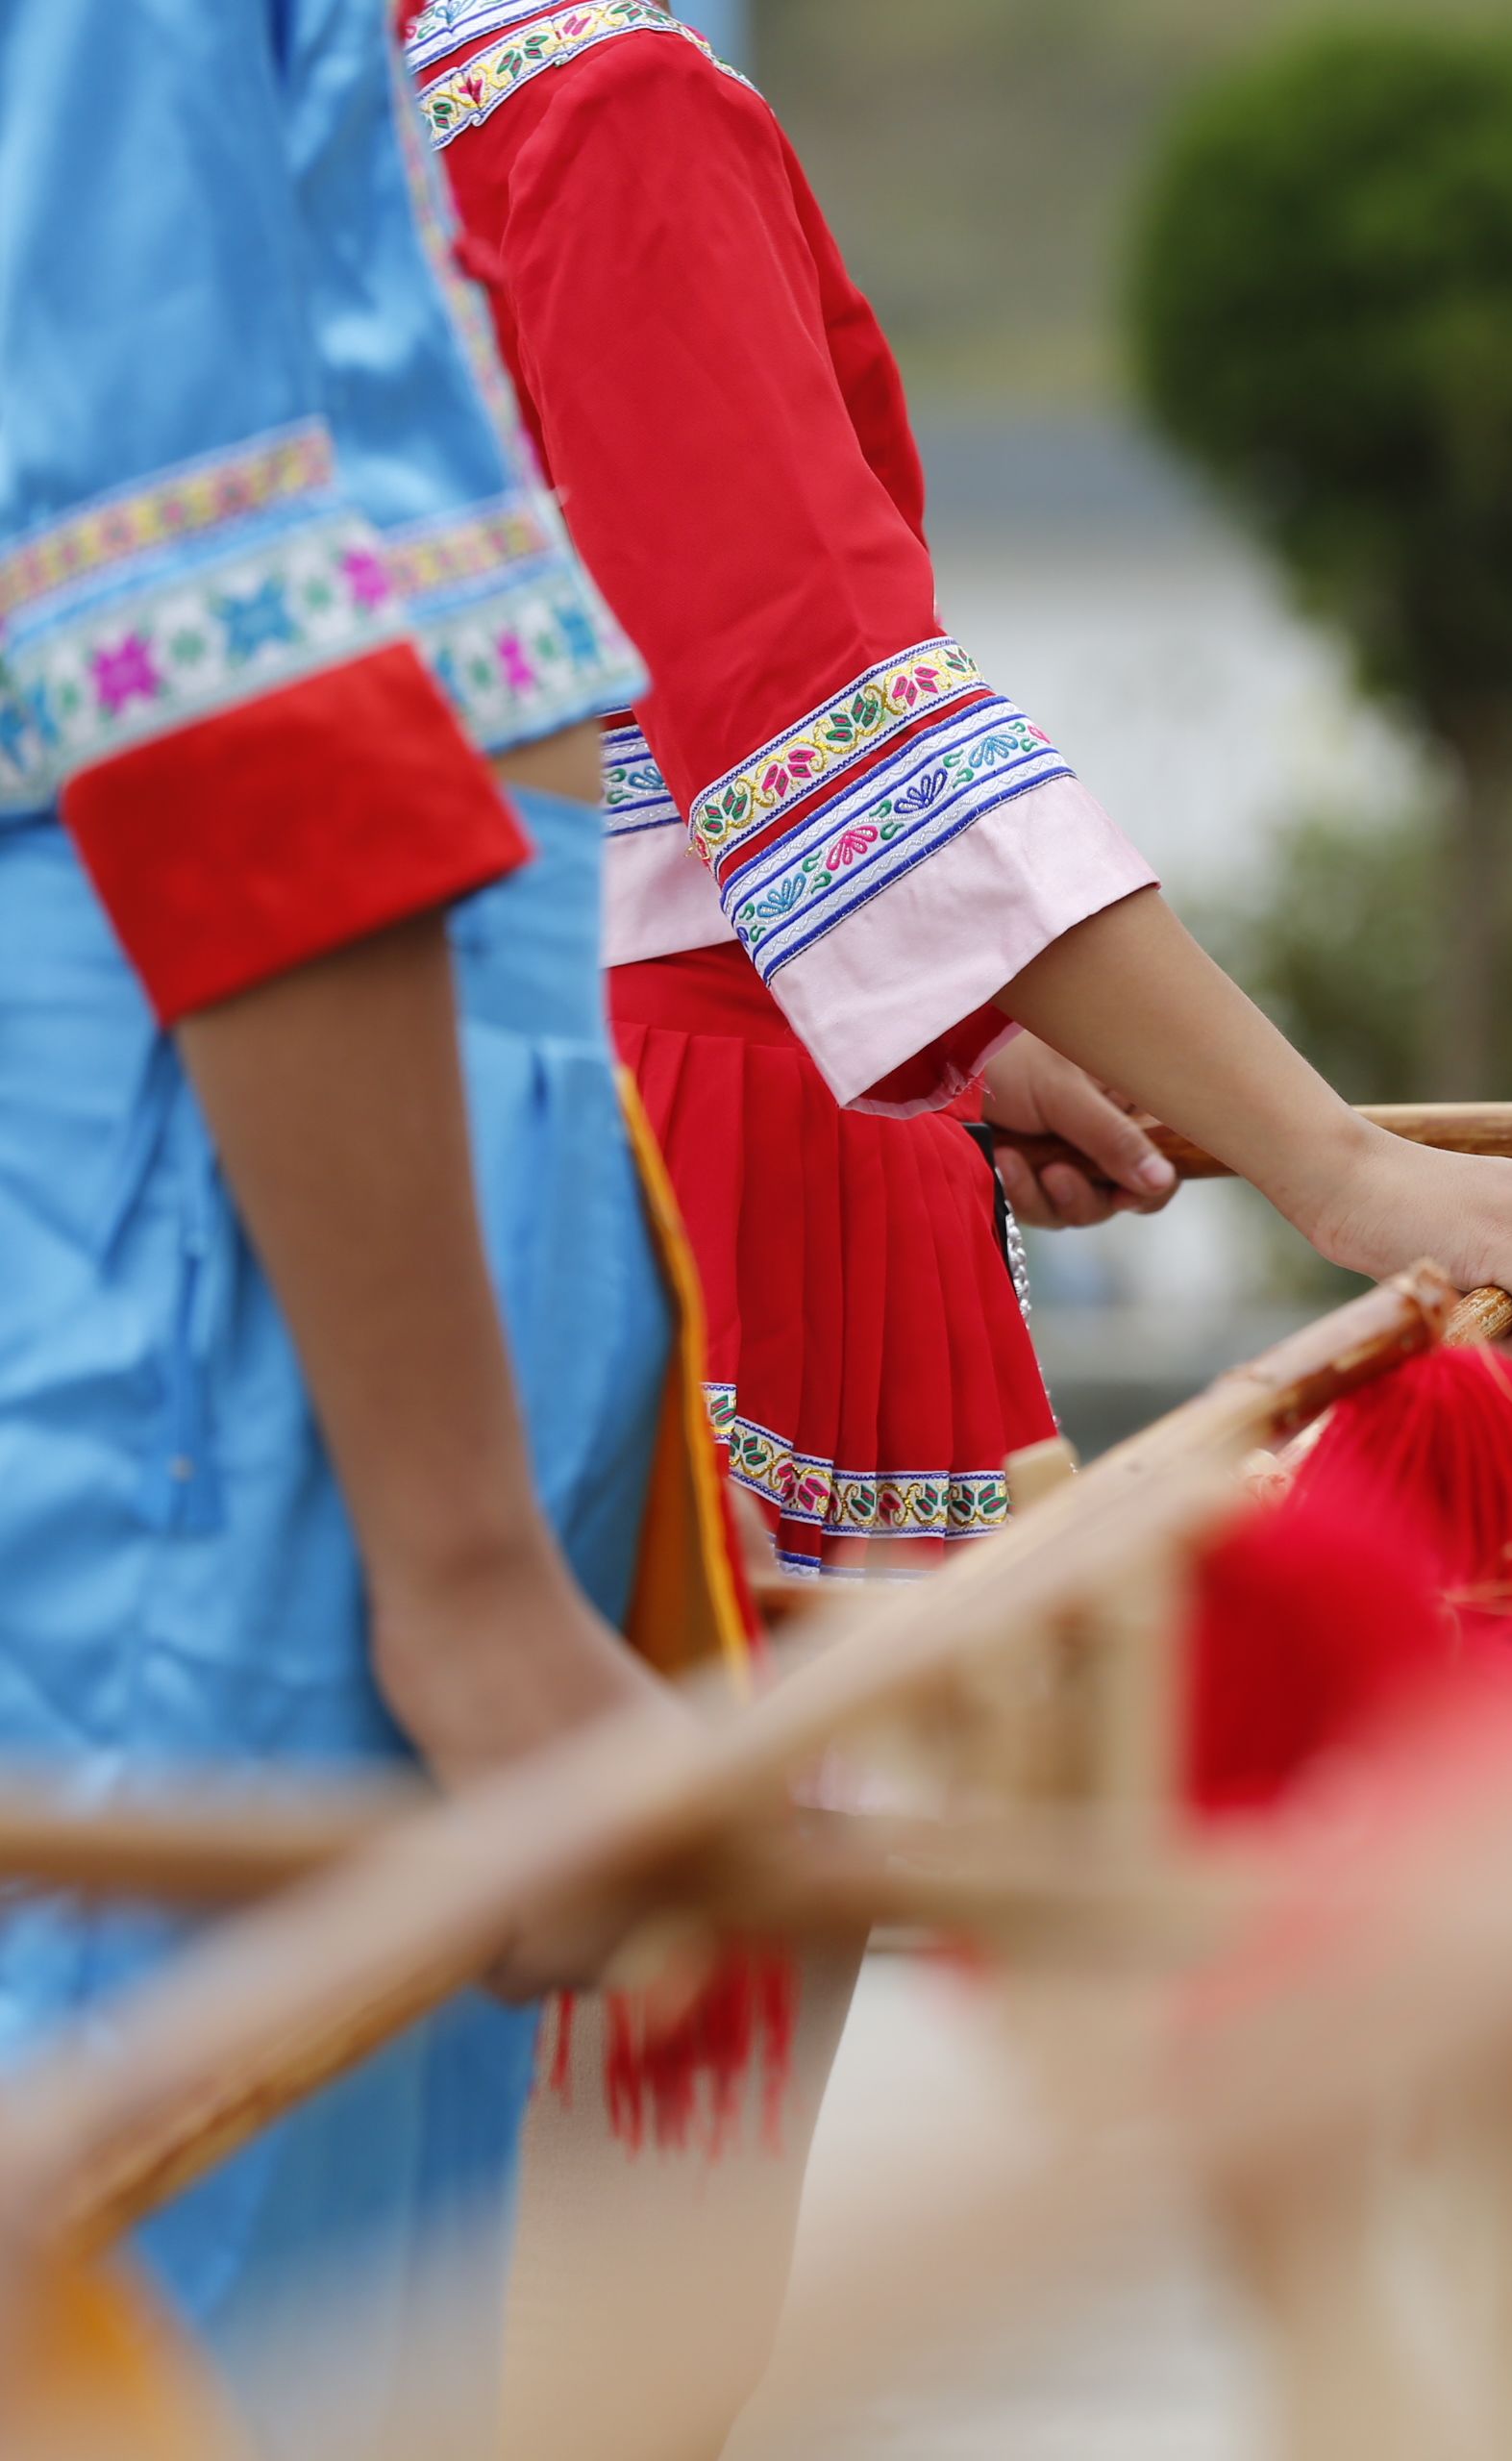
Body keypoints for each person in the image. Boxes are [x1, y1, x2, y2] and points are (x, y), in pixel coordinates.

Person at [397, 5, 1512, 2447]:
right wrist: (1332, 1158)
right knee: (616, 2270)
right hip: (661, 1177)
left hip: (436, 1116)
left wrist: (948, 1029)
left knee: (425, 2182)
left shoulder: (286, 85)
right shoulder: (588, 98)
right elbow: (827, 716)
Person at [0, 0, 733, 2445]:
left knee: (346, 2299)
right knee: (174, 2284)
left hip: (345, 1106)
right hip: (219, 1141)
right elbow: (186, 625)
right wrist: (467, 1559)